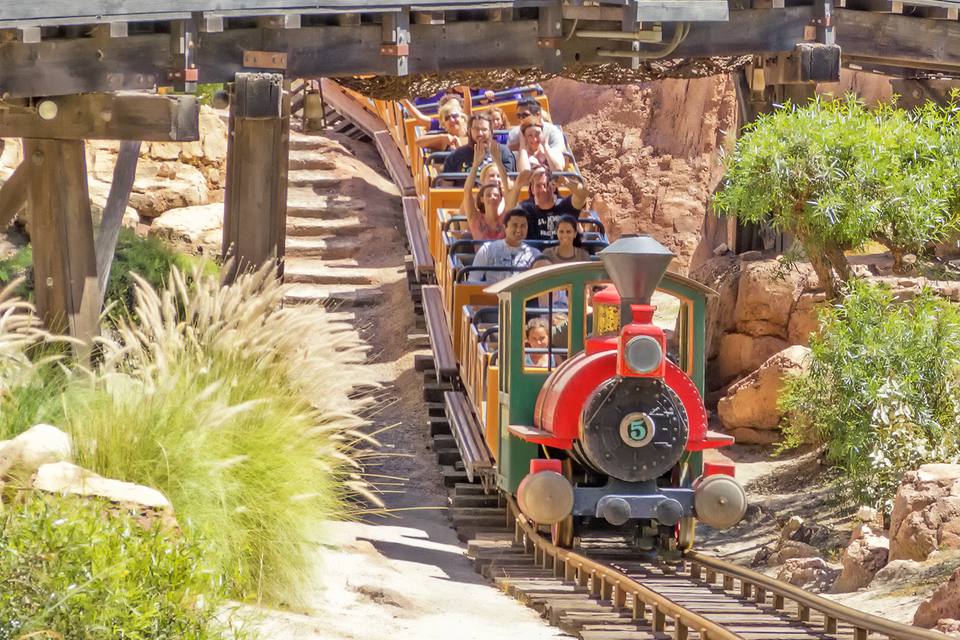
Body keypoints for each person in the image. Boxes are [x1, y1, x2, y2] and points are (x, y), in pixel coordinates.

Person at [462, 143, 527, 240]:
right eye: (488, 195)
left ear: (501, 198)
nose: (492, 197)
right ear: (482, 198)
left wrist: (499, 162)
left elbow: (508, 191)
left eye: (496, 195)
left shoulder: (505, 218)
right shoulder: (475, 218)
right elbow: (467, 191)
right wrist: (475, 165)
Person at [468, 209, 539, 284]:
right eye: (514, 225)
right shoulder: (487, 250)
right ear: (505, 227)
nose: (519, 230)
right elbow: (473, 280)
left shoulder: (535, 254)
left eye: (523, 226)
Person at [519, 167, 589, 242]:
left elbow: (583, 194)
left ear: (553, 187)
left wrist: (566, 182)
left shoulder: (565, 205)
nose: (542, 189)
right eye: (538, 186)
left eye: (545, 185)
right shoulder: (525, 209)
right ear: (532, 189)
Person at [442, 112, 516, 174]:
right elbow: (446, 185)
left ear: (491, 132)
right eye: (476, 129)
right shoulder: (456, 156)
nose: (480, 133)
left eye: (484, 129)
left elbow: (509, 182)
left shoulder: (503, 152)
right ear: (469, 131)